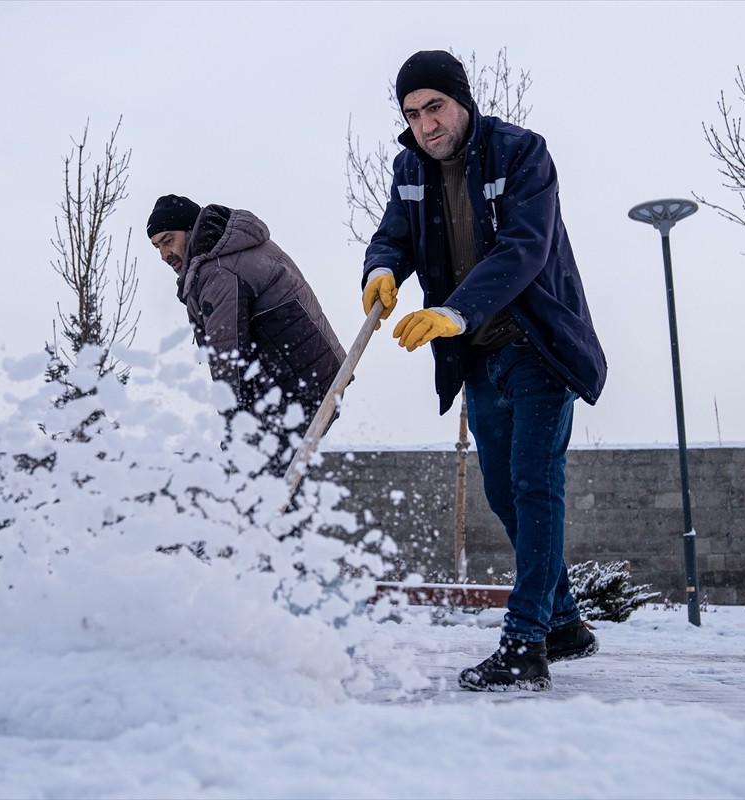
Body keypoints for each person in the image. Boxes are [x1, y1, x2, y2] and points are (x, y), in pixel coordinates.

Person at [361, 51, 607, 691]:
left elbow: (525, 246)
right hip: (478, 358)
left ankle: (526, 645)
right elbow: (395, 235)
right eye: (412, 113)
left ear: (462, 102)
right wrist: (381, 269)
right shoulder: (408, 168)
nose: (425, 124)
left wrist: (455, 311)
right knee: (503, 493)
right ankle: (565, 624)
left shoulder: (522, 154)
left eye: (434, 107)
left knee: (534, 488)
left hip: (536, 347)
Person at [147, 195, 345, 478]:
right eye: (157, 247)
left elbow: (229, 358)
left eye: (169, 241)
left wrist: (232, 436)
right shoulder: (229, 250)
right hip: (312, 378)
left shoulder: (218, 271)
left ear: (191, 230)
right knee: (280, 488)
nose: (165, 255)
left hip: (299, 388)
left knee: (265, 491)